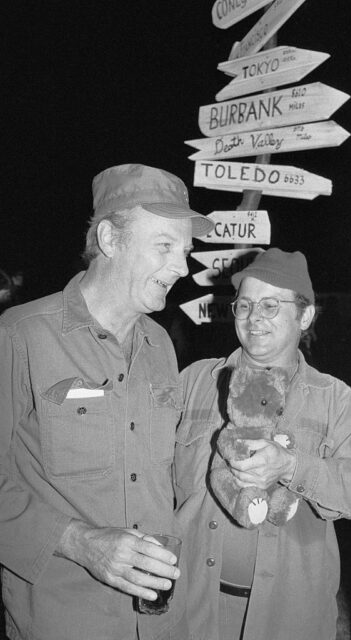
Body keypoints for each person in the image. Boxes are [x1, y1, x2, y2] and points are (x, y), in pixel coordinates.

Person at [0, 163, 213, 640]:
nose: (182, 266)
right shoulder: (19, 337)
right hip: (61, 620)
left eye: (185, 251)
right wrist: (78, 542)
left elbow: (166, 478)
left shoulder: (161, 346)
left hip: (156, 622)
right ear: (111, 240)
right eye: (165, 247)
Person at [174, 248, 351, 640]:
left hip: (290, 622)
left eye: (270, 306)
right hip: (192, 613)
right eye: (245, 305)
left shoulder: (335, 399)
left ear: (305, 316)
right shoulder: (195, 382)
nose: (253, 318)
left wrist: (292, 466)